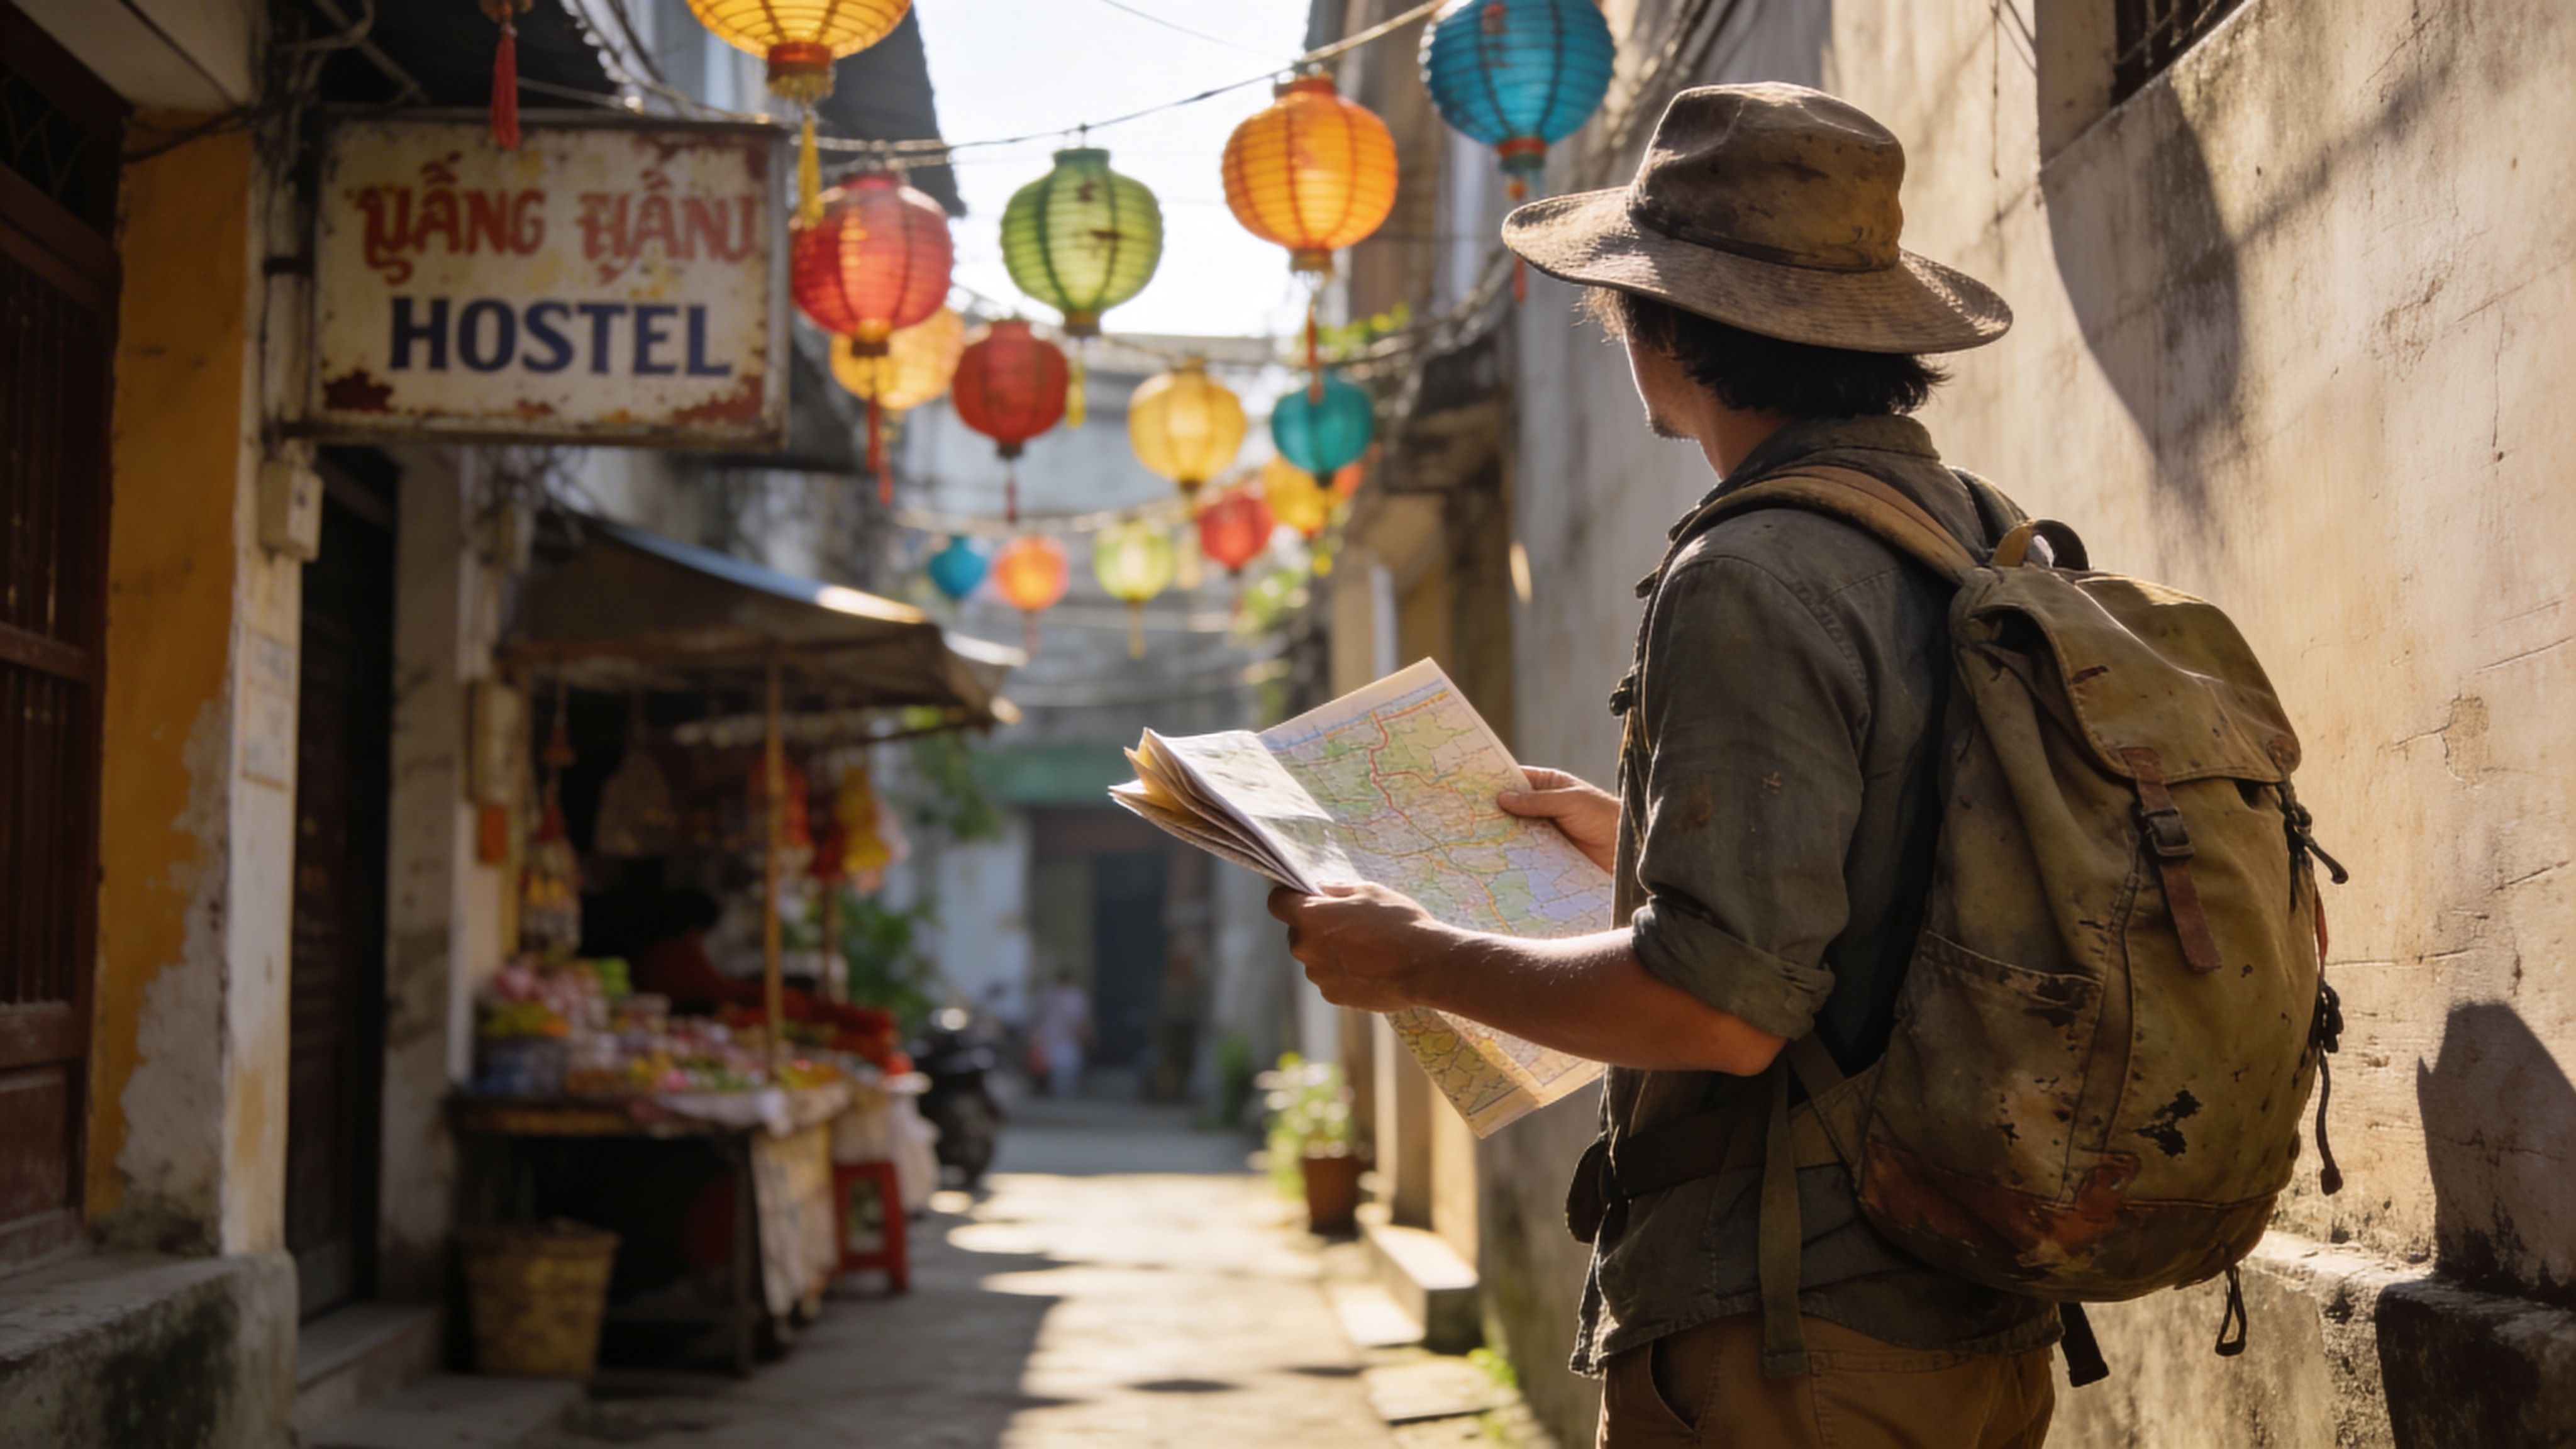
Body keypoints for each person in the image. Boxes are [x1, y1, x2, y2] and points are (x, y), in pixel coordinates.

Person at [1266, 85, 2058, 1448]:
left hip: (1794, 1339)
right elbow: (1896, 868)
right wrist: (1628, 834)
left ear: (1661, 327)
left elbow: (1717, 1014)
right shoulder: (1975, 531)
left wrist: (1416, 962)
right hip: (1962, 1304)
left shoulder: (1749, 570)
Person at [1031, 972, 1092, 1100]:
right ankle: (1047, 1091)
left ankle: (1064, 1093)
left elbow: (1081, 1017)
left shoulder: (1075, 995)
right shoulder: (1047, 993)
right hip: (1049, 1035)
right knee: (1047, 1065)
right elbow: (1039, 1015)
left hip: (1069, 1036)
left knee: (1067, 1066)